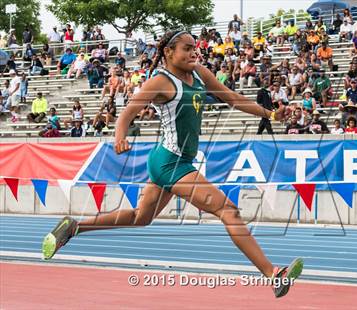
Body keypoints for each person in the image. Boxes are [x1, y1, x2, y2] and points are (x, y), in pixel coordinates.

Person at [41, 30, 303, 299]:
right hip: (170, 162)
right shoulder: (160, 82)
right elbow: (128, 112)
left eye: (195, 48)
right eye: (187, 49)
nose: (194, 53)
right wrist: (120, 135)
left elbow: (232, 98)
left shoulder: (199, 73)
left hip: (172, 160)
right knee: (228, 210)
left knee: (140, 218)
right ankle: (273, 274)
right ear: (169, 52)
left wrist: (270, 113)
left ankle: (74, 227)